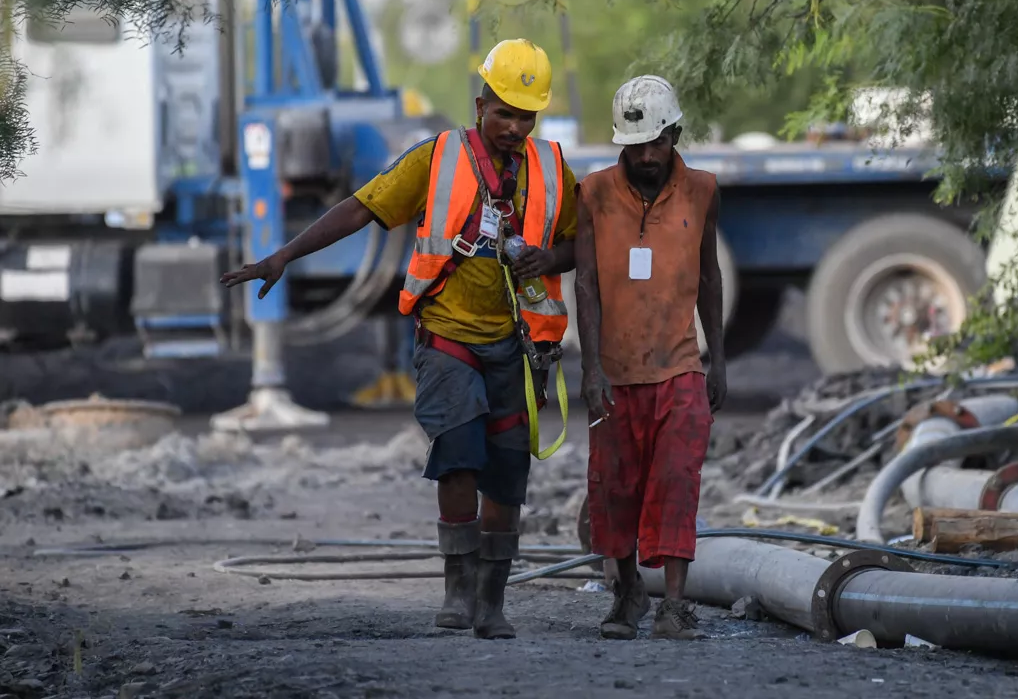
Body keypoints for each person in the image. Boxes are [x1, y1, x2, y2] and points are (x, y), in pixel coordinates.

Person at [220, 38, 578, 640]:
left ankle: (493, 599)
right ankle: (458, 588)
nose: (515, 127)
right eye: (504, 113)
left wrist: (549, 255)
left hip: (518, 345)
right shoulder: (437, 158)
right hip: (448, 338)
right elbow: (361, 208)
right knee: (459, 456)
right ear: (480, 104)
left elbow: (579, 241)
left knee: (509, 472)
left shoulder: (551, 168)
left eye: (526, 116)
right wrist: (284, 255)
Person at [573, 75, 727, 641]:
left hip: (680, 366)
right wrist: (590, 368)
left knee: (677, 480)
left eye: (654, 143)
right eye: (633, 145)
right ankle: (625, 596)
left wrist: (720, 360)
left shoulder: (704, 191)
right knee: (611, 486)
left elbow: (709, 276)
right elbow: (584, 282)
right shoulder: (592, 193)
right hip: (613, 371)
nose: (644, 156)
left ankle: (674, 607)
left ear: (675, 135)